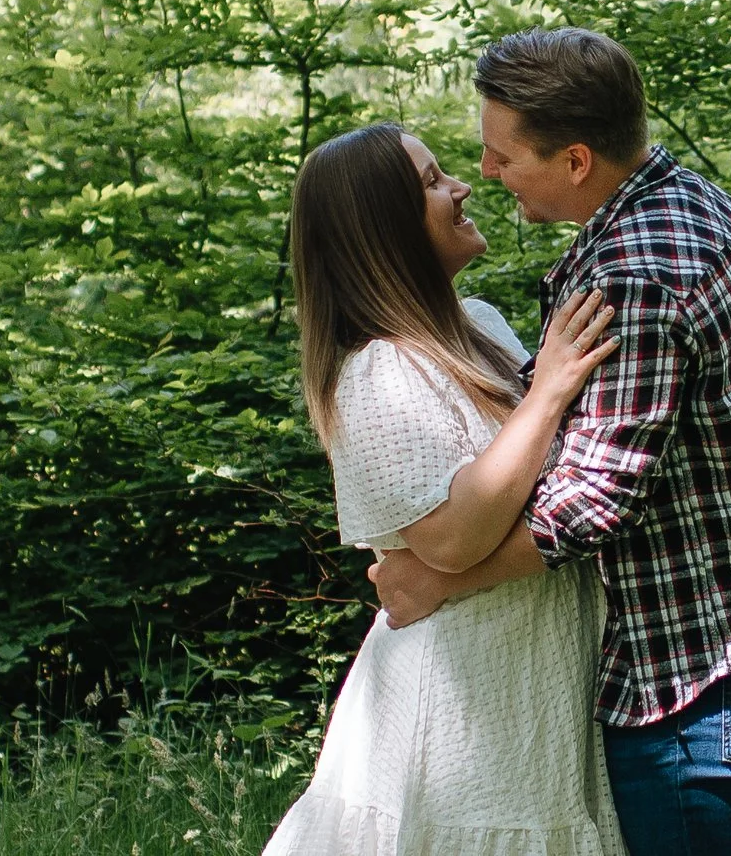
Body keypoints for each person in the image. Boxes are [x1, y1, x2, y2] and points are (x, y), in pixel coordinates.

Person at [371, 28, 731, 856]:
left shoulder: (634, 270)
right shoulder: (689, 201)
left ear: (576, 158)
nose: (484, 172)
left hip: (696, 668)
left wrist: (439, 579)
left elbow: (590, 500)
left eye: (500, 155)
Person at [264, 121, 628, 856]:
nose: (462, 186)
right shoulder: (376, 373)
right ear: (385, 230)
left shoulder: (481, 324)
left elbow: (561, 482)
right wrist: (549, 389)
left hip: (538, 680)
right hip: (460, 707)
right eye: (432, 181)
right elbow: (456, 534)